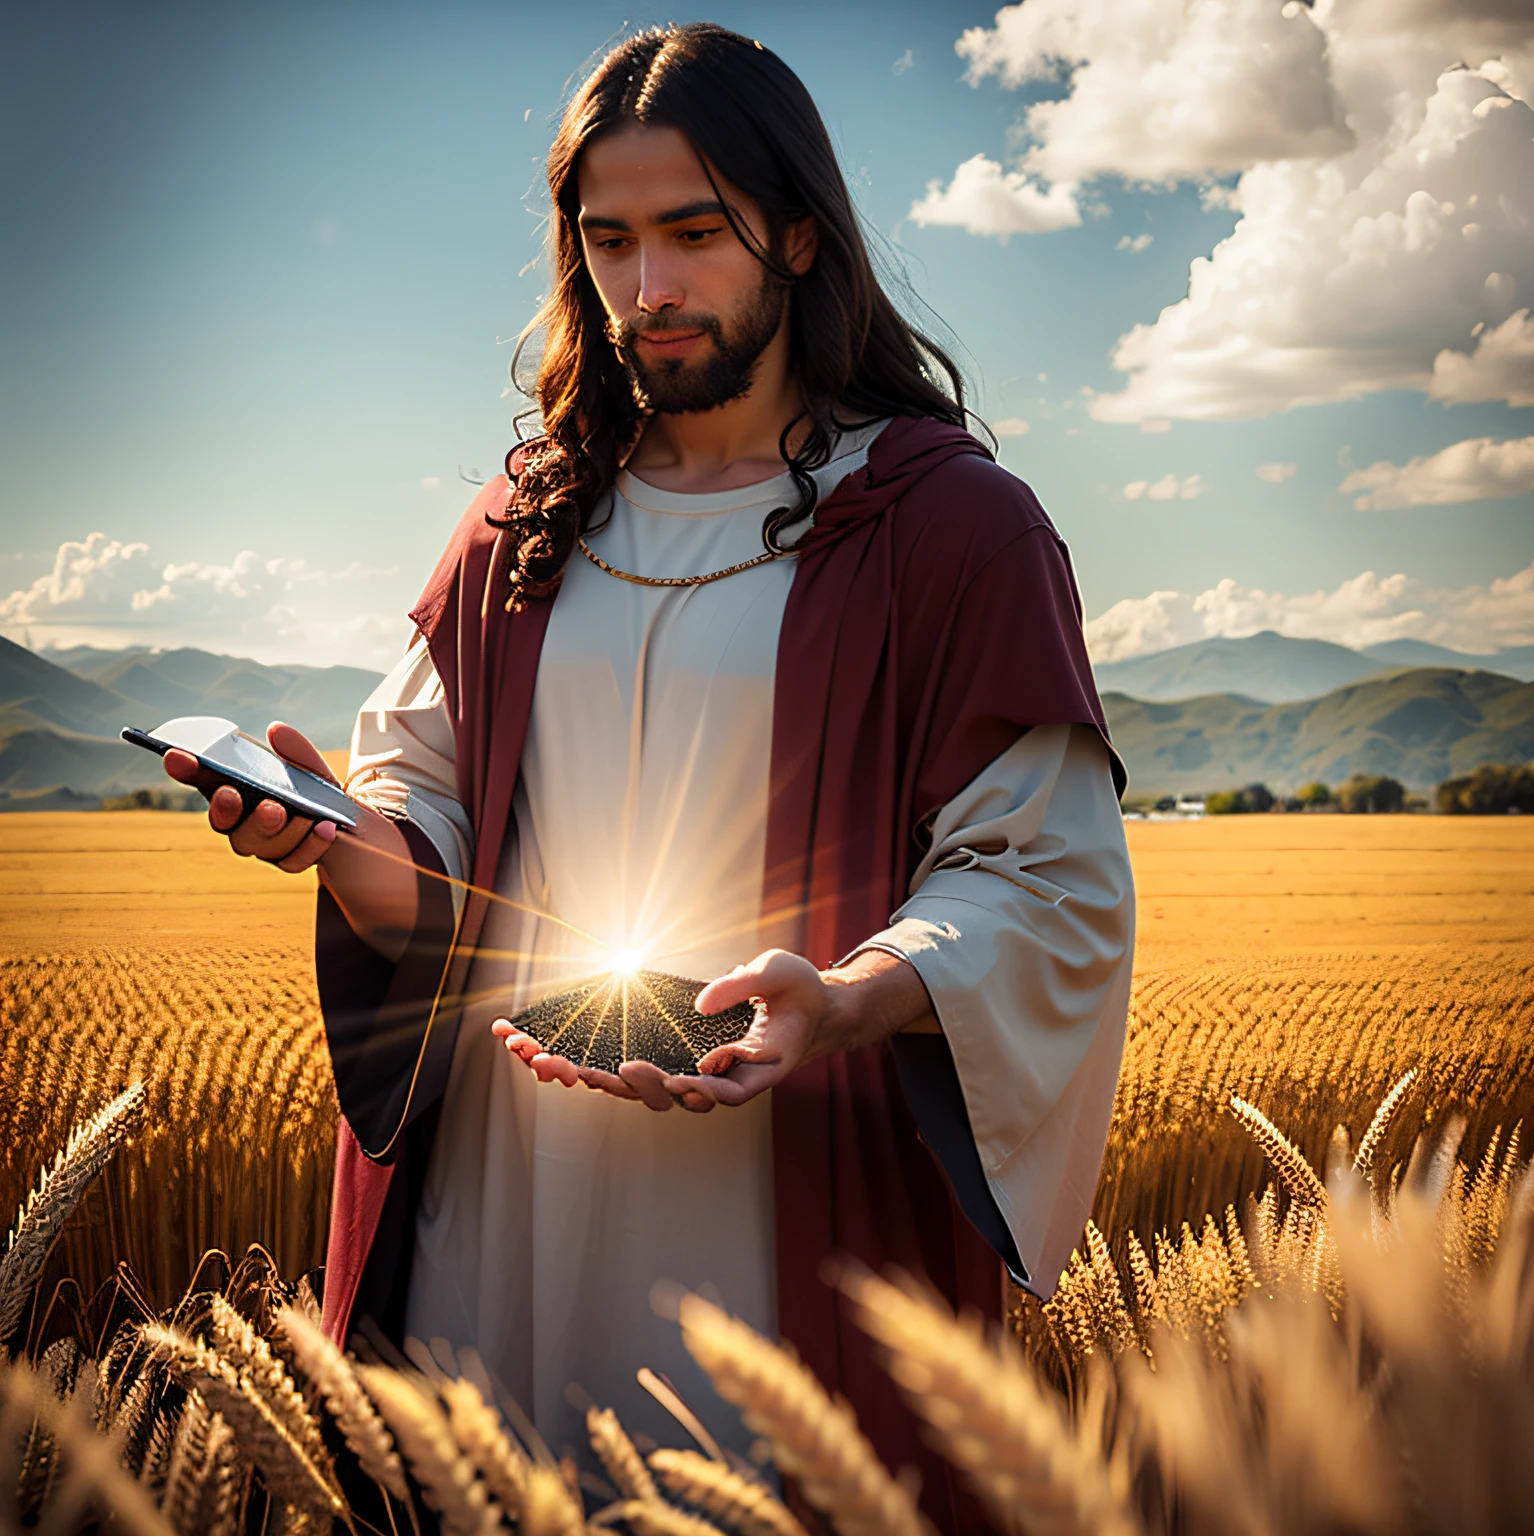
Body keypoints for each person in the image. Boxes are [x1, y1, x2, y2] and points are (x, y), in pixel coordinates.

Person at [166, 23, 1134, 1533]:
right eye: (608, 242)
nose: (649, 289)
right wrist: (336, 837)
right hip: (503, 1192)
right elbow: (424, 820)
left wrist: (853, 993)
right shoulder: (519, 521)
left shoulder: (951, 529)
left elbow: (1040, 874)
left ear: (800, 234)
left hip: (785, 1200)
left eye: (693, 233)